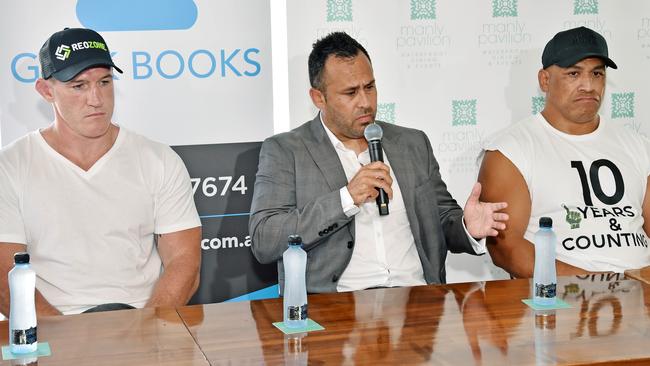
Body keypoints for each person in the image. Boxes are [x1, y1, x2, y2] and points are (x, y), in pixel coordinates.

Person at [249, 32, 508, 293]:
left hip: (417, 300)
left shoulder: (412, 143)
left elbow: (441, 218)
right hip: (336, 309)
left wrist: (468, 227)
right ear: (319, 98)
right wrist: (346, 198)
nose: (365, 103)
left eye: (369, 87)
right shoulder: (286, 150)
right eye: (350, 93)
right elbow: (265, 239)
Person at [0, 28, 202, 315]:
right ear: (46, 91)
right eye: (78, 86)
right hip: (52, 333)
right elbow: (4, 276)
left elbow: (184, 261)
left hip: (141, 321)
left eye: (104, 82)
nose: (96, 99)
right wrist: (67, 341)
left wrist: (148, 330)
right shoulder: (10, 166)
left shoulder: (159, 159)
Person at [479, 26, 650, 278]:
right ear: (545, 80)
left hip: (641, 294)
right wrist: (598, 286)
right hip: (563, 301)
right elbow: (506, 248)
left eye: (597, 73)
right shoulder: (510, 150)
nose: (588, 86)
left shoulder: (636, 144)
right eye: (574, 73)